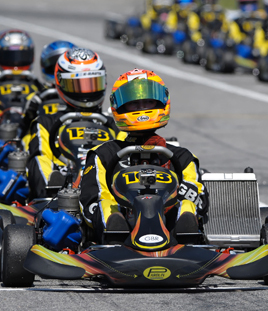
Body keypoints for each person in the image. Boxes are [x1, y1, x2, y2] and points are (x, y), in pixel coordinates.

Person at [79, 69, 207, 244]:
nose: (142, 110)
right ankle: (115, 237)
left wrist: (173, 193)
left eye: (148, 103)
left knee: (187, 205)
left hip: (170, 231)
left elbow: (200, 200)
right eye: (134, 105)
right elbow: (90, 200)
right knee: (106, 205)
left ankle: (186, 241)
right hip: (122, 229)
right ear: (120, 107)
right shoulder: (103, 155)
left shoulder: (182, 157)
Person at [26, 47, 118, 198]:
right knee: (38, 159)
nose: (86, 92)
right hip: (63, 184)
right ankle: (51, 195)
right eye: (78, 85)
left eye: (93, 83)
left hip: (105, 183)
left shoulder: (113, 125)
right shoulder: (47, 122)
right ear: (61, 84)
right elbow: (42, 156)